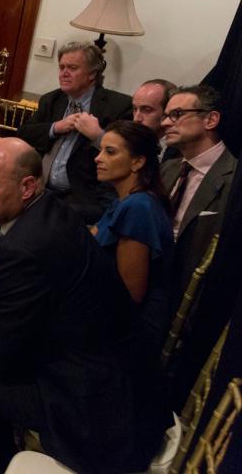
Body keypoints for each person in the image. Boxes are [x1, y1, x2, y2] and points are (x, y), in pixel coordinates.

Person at [0, 137, 154, 474]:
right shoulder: (49, 211)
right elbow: (14, 298)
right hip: (106, 368)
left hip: (87, 401)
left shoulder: (24, 247)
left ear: (27, 186)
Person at [18, 41, 132, 224]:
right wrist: (55, 128)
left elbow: (127, 154)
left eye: (72, 67)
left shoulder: (117, 106)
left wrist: (97, 136)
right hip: (40, 187)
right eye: (61, 67)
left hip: (81, 195)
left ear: (92, 74)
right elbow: (24, 133)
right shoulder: (52, 99)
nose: (64, 73)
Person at [93, 120, 175, 351]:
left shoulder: (138, 207)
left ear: (138, 162)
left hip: (129, 331)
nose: (98, 158)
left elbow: (130, 295)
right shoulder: (126, 200)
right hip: (110, 311)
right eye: (101, 150)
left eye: (110, 152)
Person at [160, 85, 236, 294]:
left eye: (177, 114)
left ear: (210, 120)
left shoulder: (235, 177)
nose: (165, 123)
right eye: (166, 115)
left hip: (198, 291)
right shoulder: (168, 168)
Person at [132, 78, 178, 160]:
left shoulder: (181, 149)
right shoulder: (131, 144)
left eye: (146, 110)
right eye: (135, 109)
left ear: (168, 112)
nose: (136, 118)